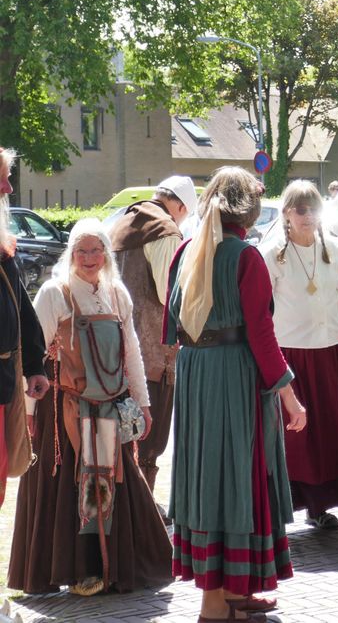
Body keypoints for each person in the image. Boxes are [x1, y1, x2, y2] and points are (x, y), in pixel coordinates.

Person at [165, 166, 307, 622]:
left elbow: (174, 328)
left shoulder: (185, 252)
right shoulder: (246, 258)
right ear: (247, 213)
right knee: (234, 481)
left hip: (195, 374)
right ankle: (214, 602)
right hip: (233, 378)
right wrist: (289, 394)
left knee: (208, 481)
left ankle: (225, 593)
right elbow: (261, 334)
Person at [8, 218, 170, 596]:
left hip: (110, 411)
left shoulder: (118, 294)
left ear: (106, 254)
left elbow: (132, 354)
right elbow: (31, 358)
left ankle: (106, 569)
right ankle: (76, 569)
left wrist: (143, 404)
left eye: (96, 249)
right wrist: (30, 417)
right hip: (63, 412)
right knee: (68, 490)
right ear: (71, 253)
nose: (89, 257)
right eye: (81, 250)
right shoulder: (54, 293)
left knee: (107, 488)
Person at [260, 180, 338, 530]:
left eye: (312, 208)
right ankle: (284, 507)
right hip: (291, 357)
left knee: (328, 432)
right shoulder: (272, 254)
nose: (307, 216)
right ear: (287, 214)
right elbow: (262, 311)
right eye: (300, 209)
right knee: (296, 438)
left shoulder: (336, 249)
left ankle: (320, 507)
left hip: (330, 352)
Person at [108, 175, 196, 496]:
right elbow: (171, 296)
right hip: (153, 358)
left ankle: (126, 510)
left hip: (111, 353)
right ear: (181, 206)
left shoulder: (120, 223)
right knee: (148, 440)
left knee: (119, 440)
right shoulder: (166, 230)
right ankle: (142, 515)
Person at [0, 146, 49, 509]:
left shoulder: (3, 249)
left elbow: (21, 306)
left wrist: (35, 365)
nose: (9, 189)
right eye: (1, 179)